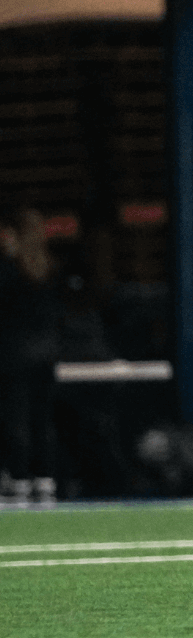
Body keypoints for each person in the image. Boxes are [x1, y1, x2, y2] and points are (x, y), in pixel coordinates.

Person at [0, 206, 61, 503]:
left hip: (15, 355)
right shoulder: (50, 268)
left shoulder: (9, 270)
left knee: (17, 419)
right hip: (45, 354)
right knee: (42, 419)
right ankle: (45, 478)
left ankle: (20, 476)